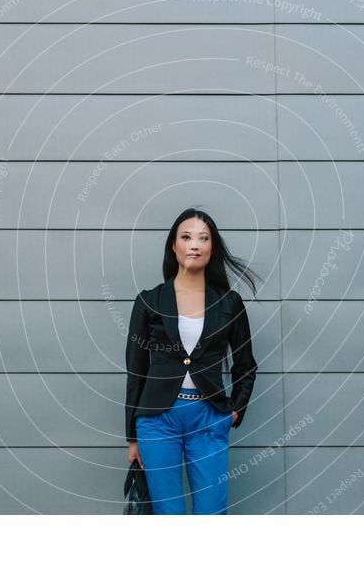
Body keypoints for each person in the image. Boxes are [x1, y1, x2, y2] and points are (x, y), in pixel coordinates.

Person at [125, 207, 261, 514]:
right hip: (158, 422)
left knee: (212, 512)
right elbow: (136, 371)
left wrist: (235, 411)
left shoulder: (230, 303)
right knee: (168, 514)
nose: (194, 244)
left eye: (203, 238)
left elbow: (245, 365)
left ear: (212, 248)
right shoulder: (148, 301)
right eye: (186, 237)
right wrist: (131, 436)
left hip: (208, 416)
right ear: (174, 246)